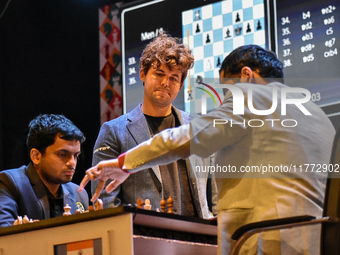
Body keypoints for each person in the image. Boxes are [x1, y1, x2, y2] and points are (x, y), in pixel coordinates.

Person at [80, 44, 335, 254]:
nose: (226, 98)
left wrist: (126, 163)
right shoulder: (318, 115)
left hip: (265, 239)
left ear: (246, 75)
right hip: (317, 239)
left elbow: (191, 136)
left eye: (226, 89)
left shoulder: (252, 97)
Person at [91, 33, 216, 218]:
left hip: (198, 239)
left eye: (174, 78)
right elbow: (107, 205)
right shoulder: (114, 132)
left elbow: (215, 197)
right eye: (159, 74)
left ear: (180, 85)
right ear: (143, 73)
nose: (165, 83)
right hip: (145, 242)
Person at [0, 114, 89, 227]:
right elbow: (3, 235)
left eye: (76, 156)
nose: (72, 163)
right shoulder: (9, 183)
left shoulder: (79, 194)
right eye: (62, 155)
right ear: (36, 156)